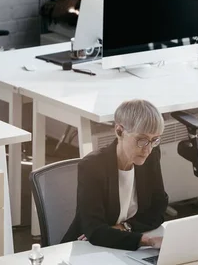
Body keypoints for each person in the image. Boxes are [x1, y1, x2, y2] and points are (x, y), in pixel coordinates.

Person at [62, 99, 168, 250]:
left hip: (121, 245)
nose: (148, 149)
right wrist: (147, 241)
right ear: (119, 131)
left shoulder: (151, 156)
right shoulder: (92, 166)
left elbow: (158, 209)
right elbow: (95, 231)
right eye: (142, 140)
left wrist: (124, 226)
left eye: (154, 140)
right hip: (87, 248)